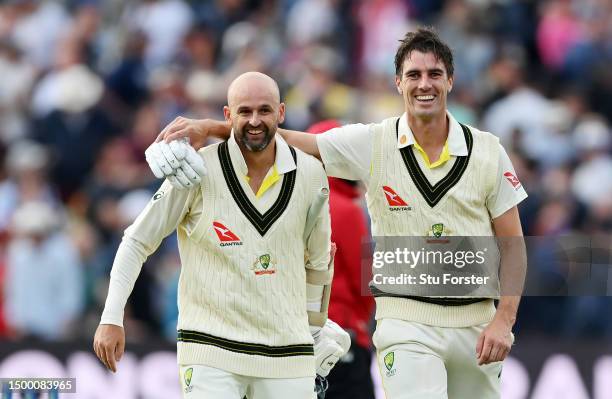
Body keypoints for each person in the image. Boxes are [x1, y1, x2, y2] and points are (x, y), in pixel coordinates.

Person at [148, 28, 528, 399]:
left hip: (476, 323)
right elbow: (292, 141)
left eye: (434, 74)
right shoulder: (374, 142)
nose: (424, 84)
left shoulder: (487, 151)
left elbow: (512, 244)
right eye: (413, 75)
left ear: (451, 80)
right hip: (405, 321)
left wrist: (503, 320)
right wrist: (211, 127)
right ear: (398, 82)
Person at [94, 71, 350, 399]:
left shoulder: (312, 175)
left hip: (287, 350)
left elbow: (318, 263)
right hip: (211, 350)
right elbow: (137, 240)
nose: (254, 120)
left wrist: (314, 328)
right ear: (228, 116)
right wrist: (112, 316)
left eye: (264, 110)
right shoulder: (197, 170)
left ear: (281, 113)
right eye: (244, 112)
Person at [306, 120, 375, 399]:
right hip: (341, 338)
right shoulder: (346, 209)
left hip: (298, 339)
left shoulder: (293, 201)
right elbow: (367, 282)